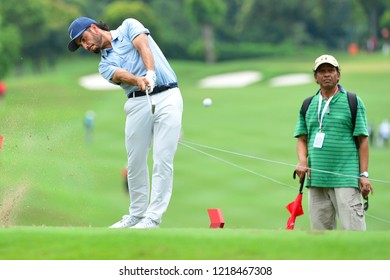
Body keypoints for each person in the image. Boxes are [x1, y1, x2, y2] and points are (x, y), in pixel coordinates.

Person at [67, 17, 183, 229]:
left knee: (162, 158)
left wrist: (150, 74)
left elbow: (142, 45)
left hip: (167, 95)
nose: (85, 46)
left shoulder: (129, 26)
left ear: (94, 28)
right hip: (137, 102)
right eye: (81, 45)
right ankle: (137, 215)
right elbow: (120, 75)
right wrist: (139, 80)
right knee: (135, 161)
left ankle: (153, 218)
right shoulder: (104, 64)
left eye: (83, 39)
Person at [293, 54, 373, 231]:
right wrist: (302, 160)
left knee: (354, 234)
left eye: (331, 70)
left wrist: (364, 174)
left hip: (346, 179)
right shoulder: (309, 104)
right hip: (316, 181)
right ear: (315, 77)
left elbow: (363, 140)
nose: (326, 74)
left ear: (338, 74)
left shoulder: (352, 101)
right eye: (322, 71)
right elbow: (302, 139)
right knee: (321, 238)